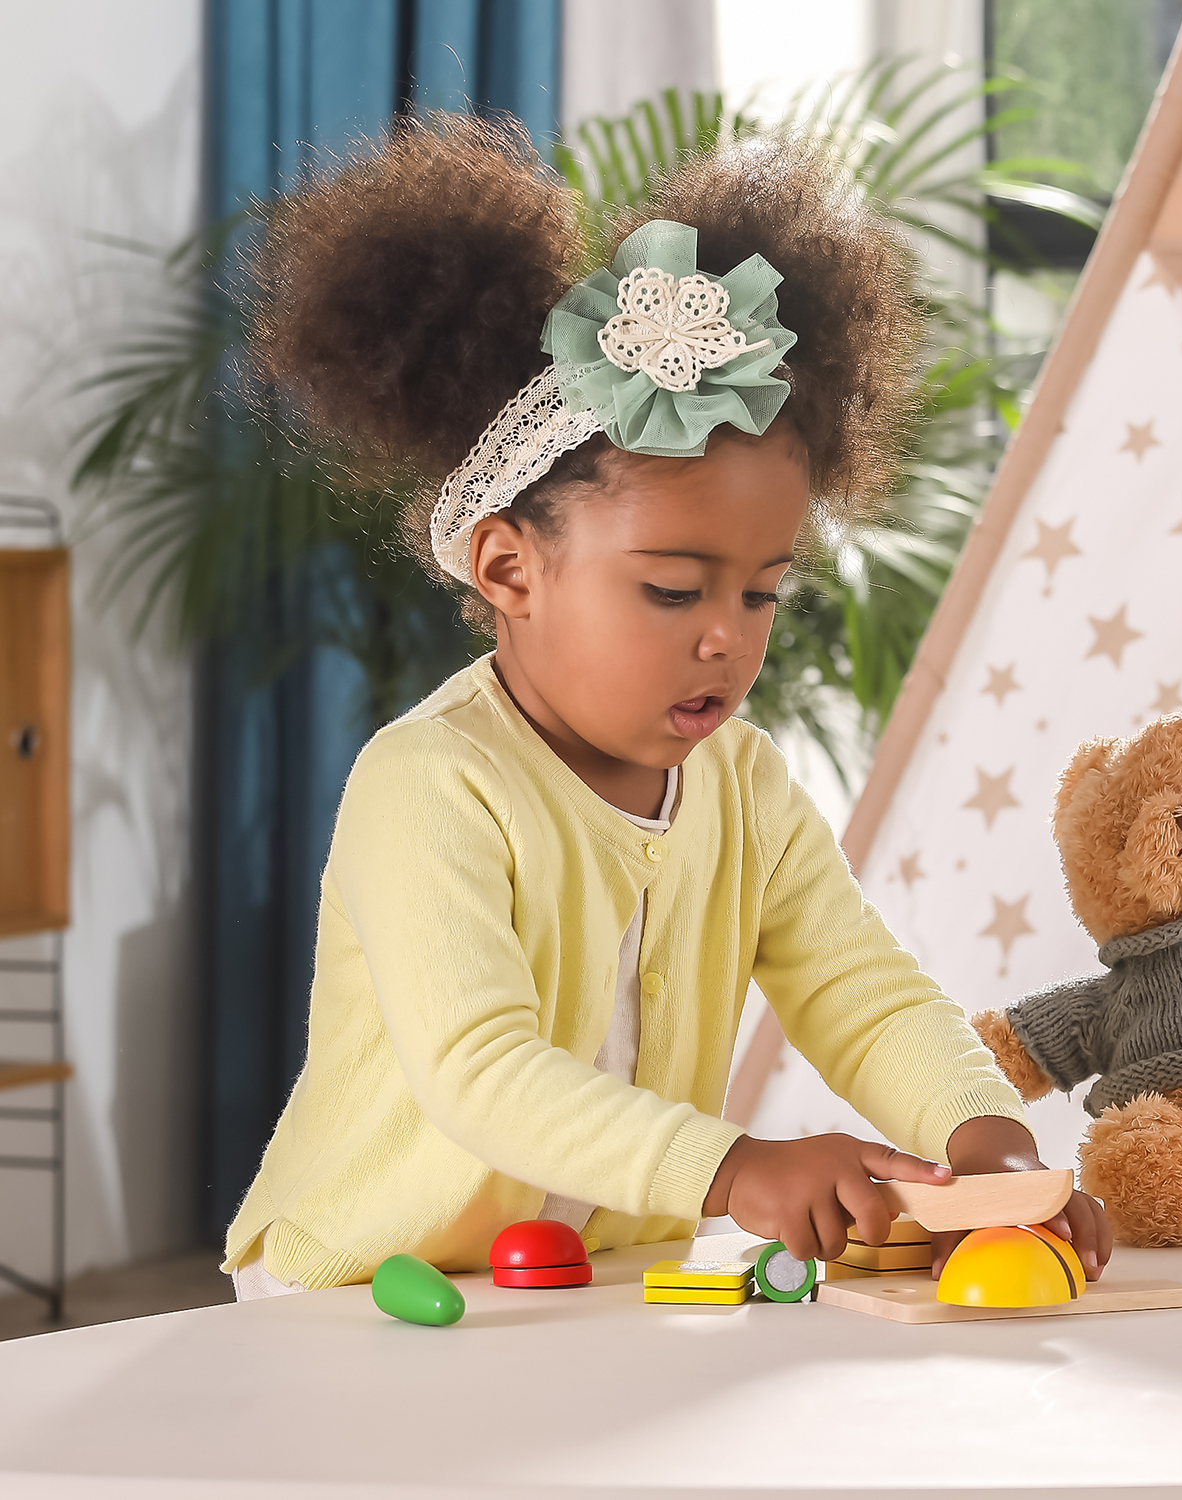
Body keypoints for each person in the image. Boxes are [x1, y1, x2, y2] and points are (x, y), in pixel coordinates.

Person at [222, 116, 1111, 1300]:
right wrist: (733, 1167)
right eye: (673, 588)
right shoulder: (430, 784)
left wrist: (982, 1140)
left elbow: (861, 987)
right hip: (365, 1298)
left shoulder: (744, 786)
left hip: (594, 1291)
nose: (724, 636)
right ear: (506, 570)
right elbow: (480, 1067)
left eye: (761, 593)